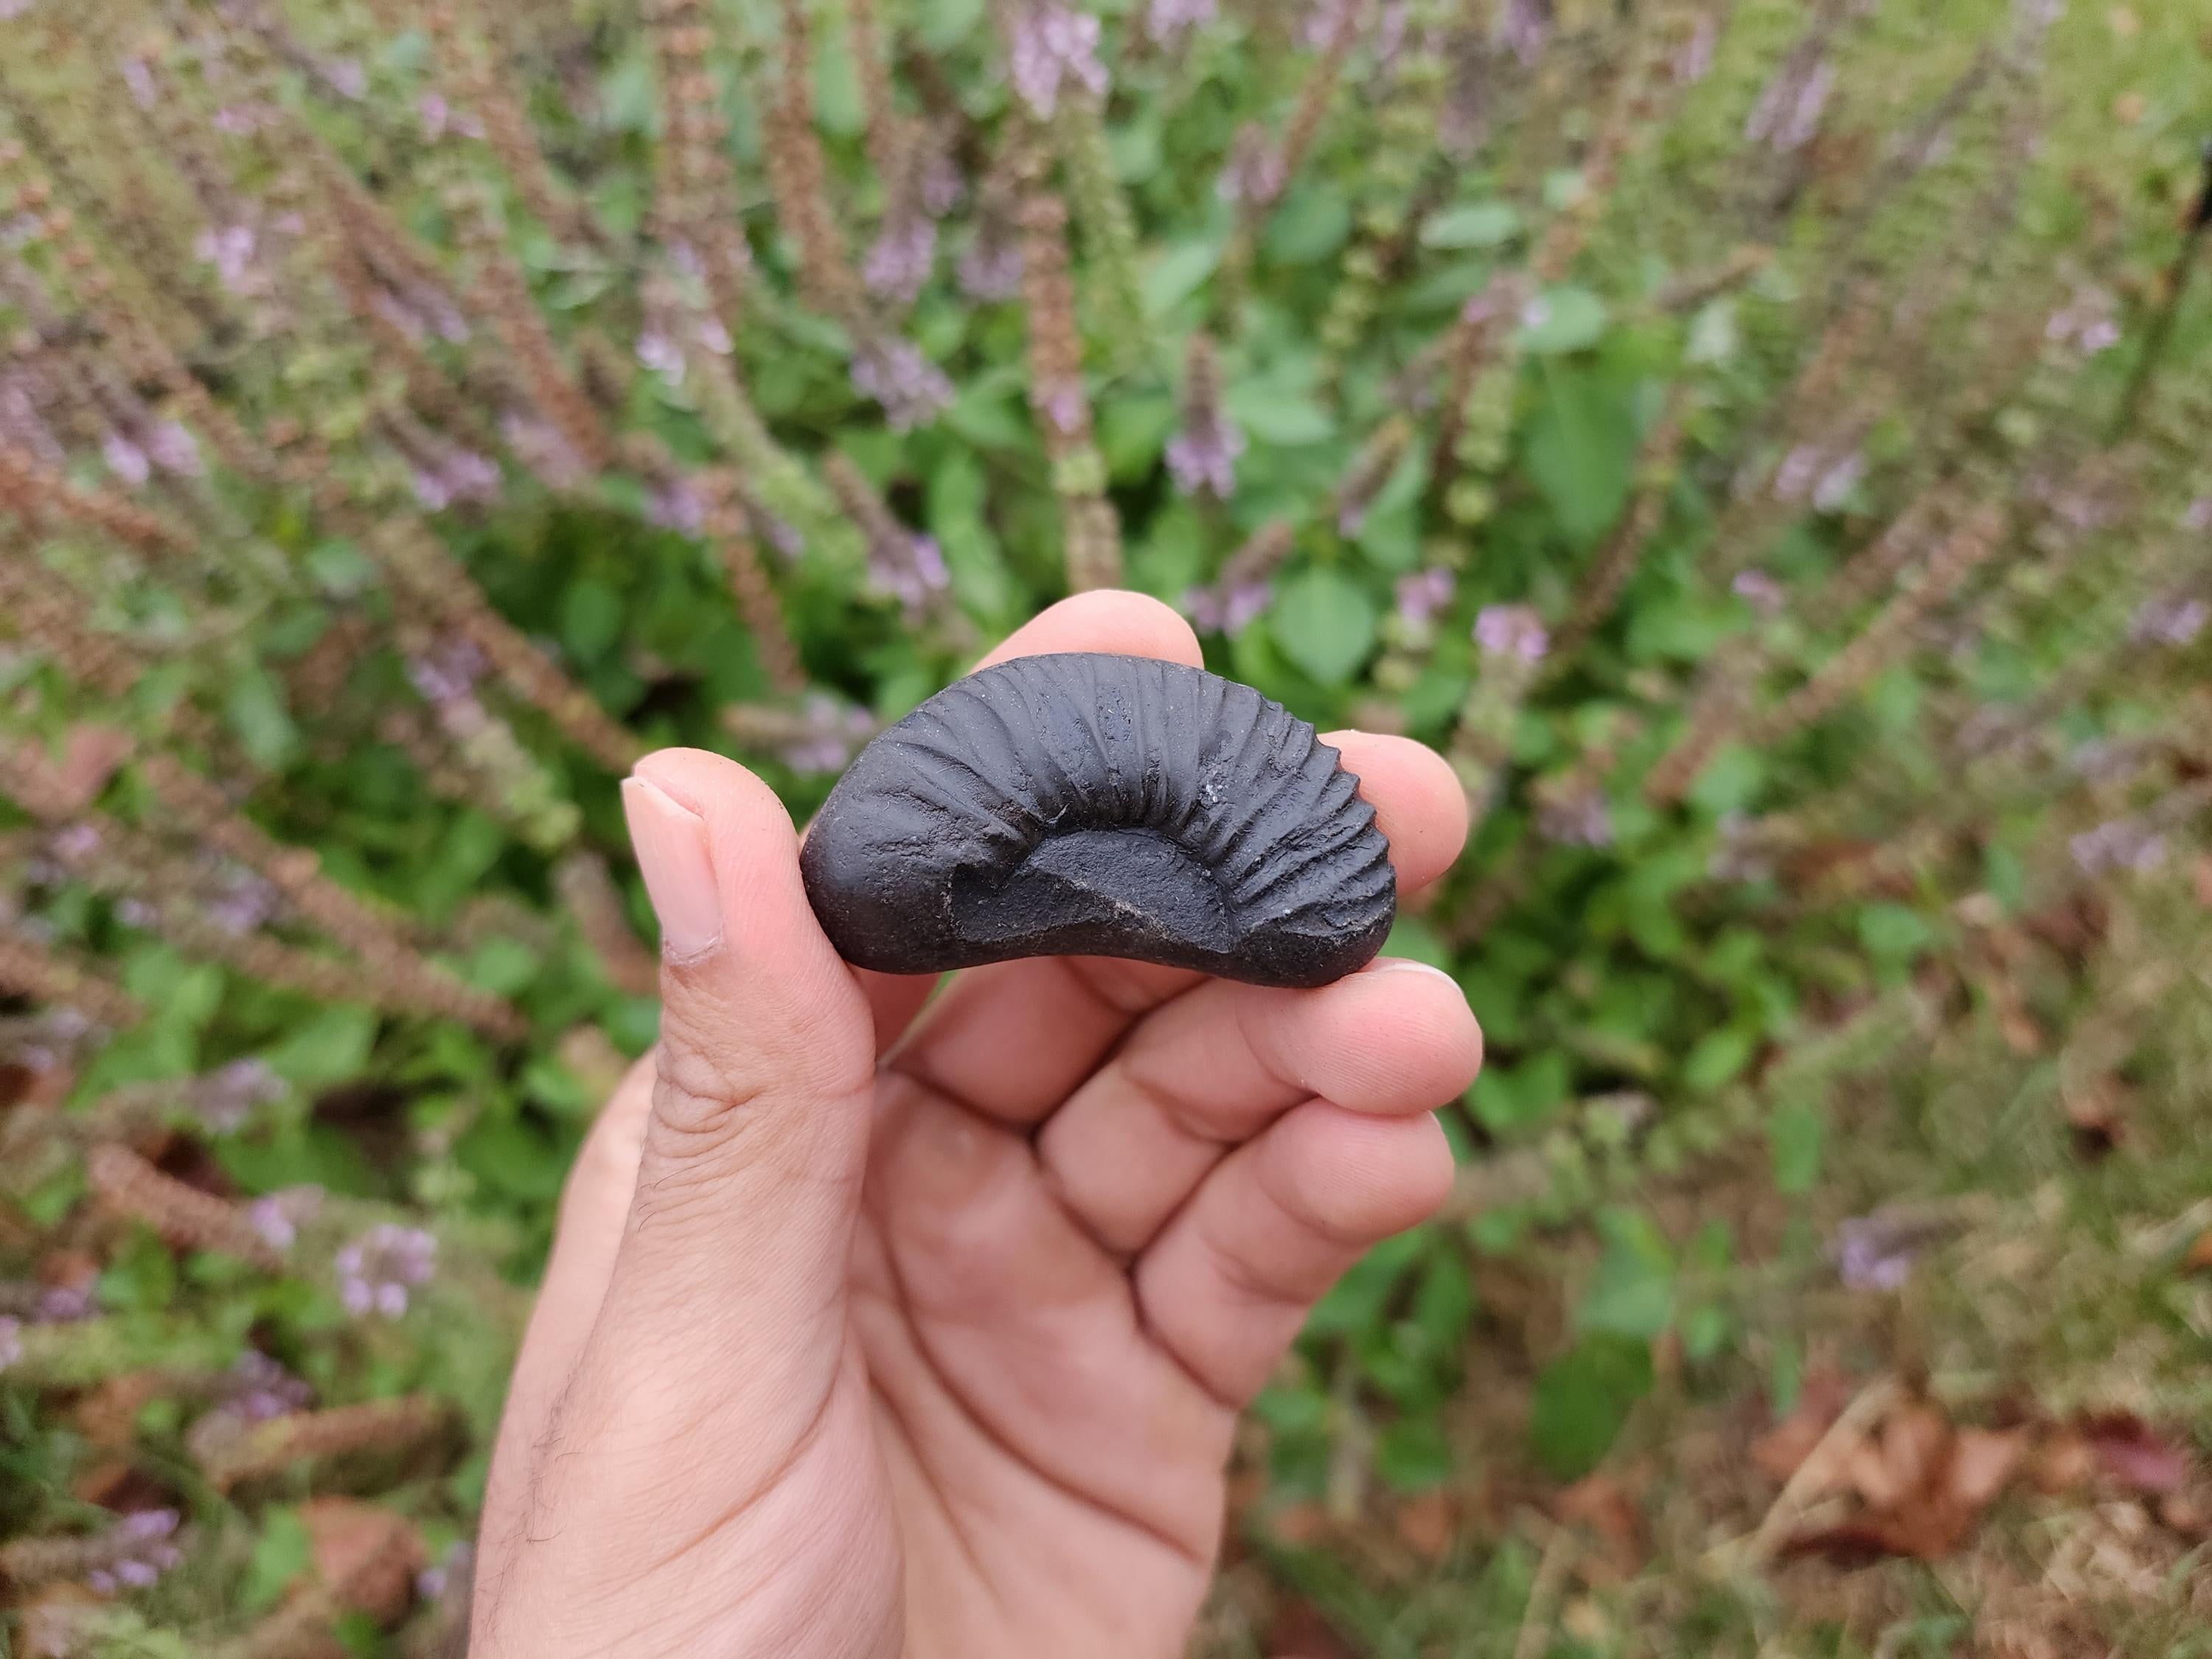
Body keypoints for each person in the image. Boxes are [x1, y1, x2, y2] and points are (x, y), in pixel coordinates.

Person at [470, 592, 1484, 1656]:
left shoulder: (1273, 887)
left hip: (1270, 856)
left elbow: (1319, 895)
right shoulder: (894, 870)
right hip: (1188, 857)